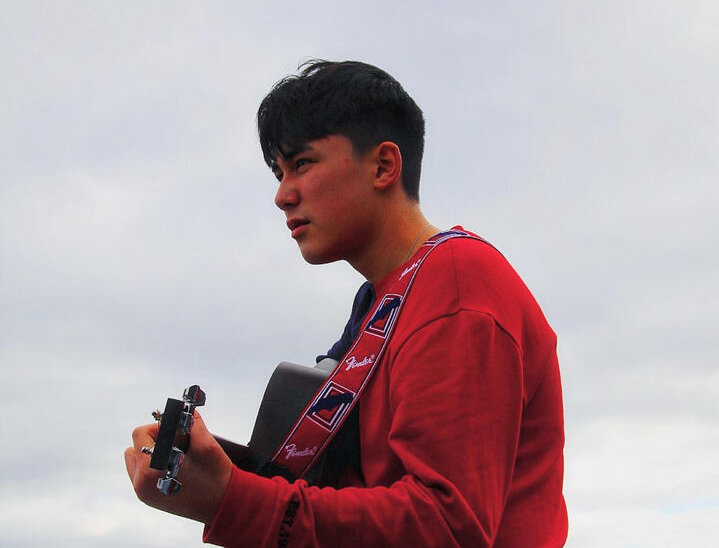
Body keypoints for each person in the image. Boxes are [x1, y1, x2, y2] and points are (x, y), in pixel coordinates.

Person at [125, 60, 568, 547]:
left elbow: (447, 527)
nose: (282, 195)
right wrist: (207, 471)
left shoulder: (458, 284)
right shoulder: (379, 303)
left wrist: (230, 500)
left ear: (383, 167)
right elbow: (342, 489)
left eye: (302, 164)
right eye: (278, 172)